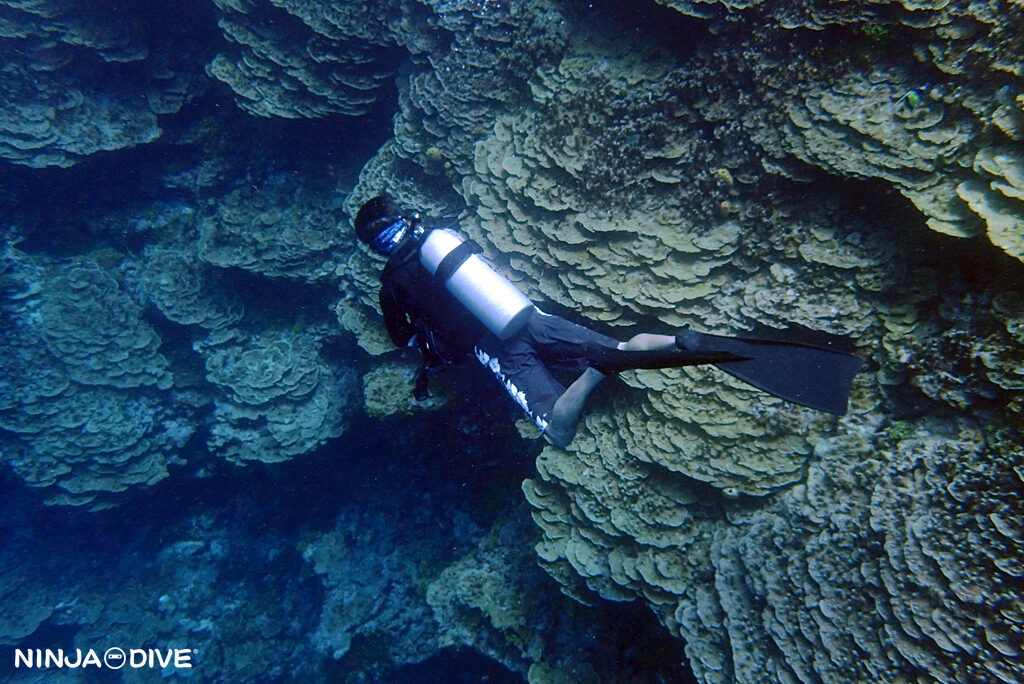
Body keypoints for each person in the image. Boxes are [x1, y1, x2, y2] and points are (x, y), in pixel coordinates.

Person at [354, 195, 864, 447]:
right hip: (531, 316)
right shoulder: (441, 238)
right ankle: (679, 340)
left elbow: (402, 336)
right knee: (621, 345)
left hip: (496, 346)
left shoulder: (391, 284)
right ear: (405, 218)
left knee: (557, 430)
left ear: (376, 247)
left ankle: (599, 369)